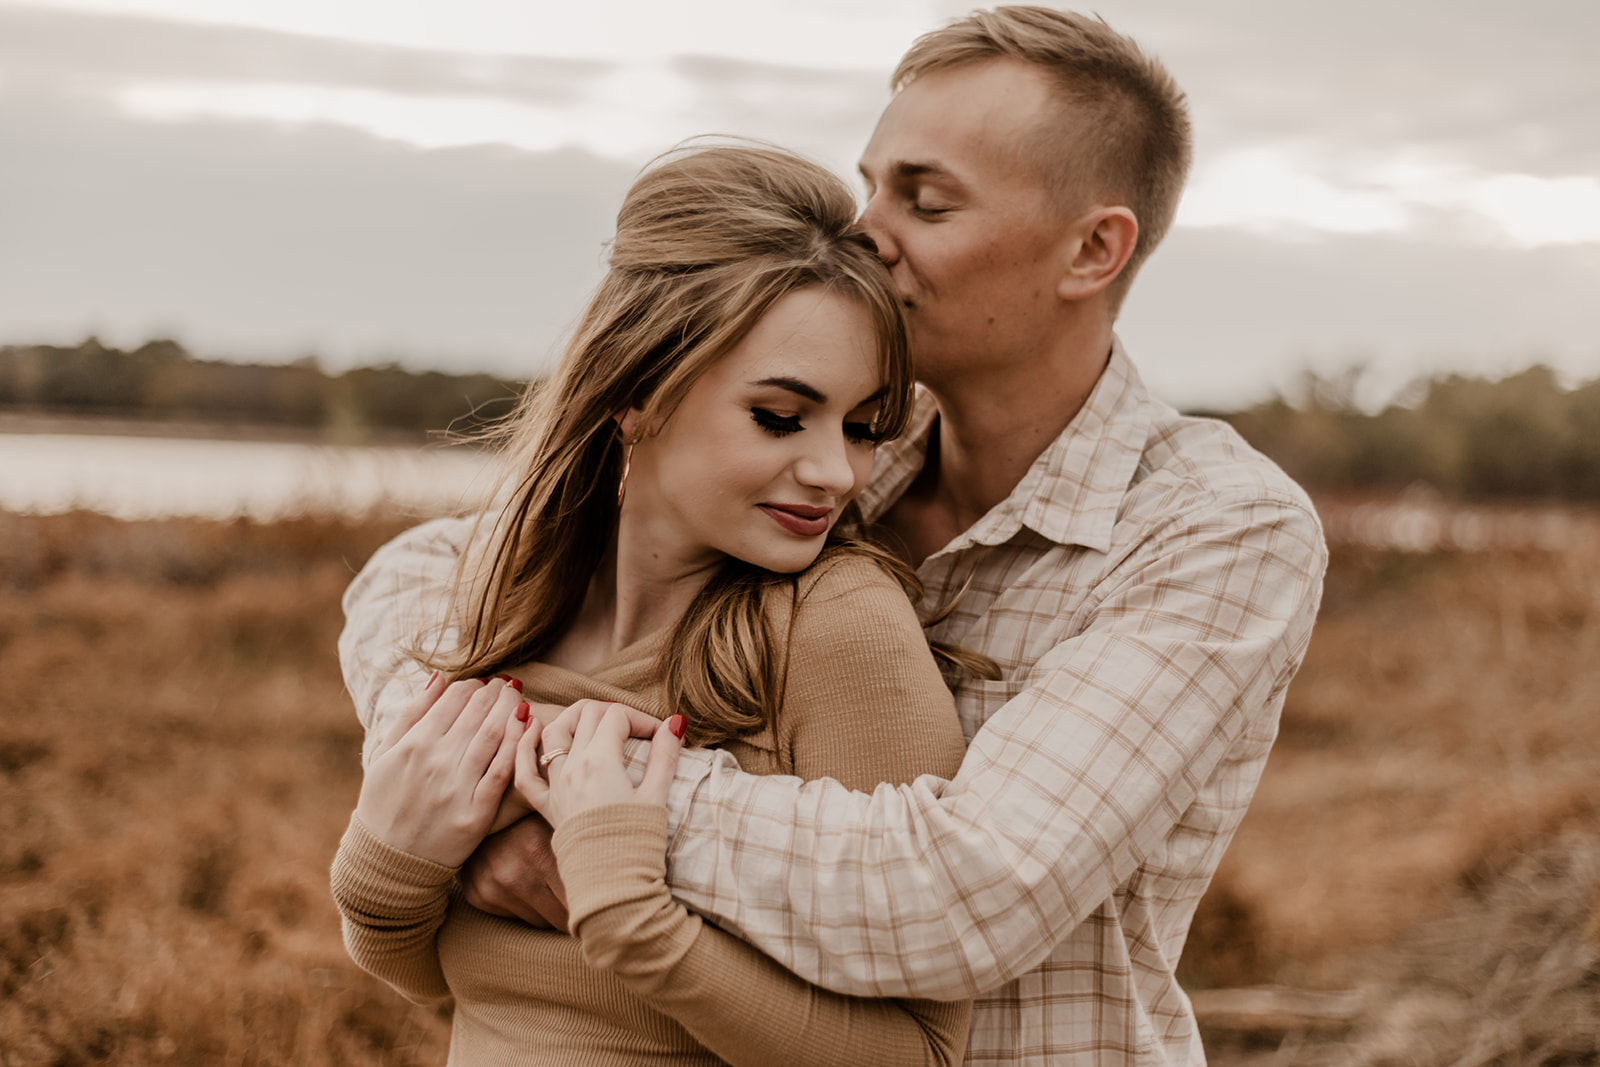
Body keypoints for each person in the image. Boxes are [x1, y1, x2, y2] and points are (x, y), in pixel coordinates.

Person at [344, 7, 1329, 1065]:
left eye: (925, 198)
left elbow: (968, 889)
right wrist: (458, 770)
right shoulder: (843, 450)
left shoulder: (1213, 528)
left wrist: (589, 812)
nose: (867, 231)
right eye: (870, 185)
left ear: (1092, 248)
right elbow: (423, 573)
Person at [331, 143, 976, 1065]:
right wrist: (385, 860)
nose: (837, 470)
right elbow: (434, 972)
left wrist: (639, 922)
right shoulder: (502, 605)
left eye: (864, 425)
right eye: (781, 417)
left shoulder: (836, 628)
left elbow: (925, 1052)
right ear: (636, 392)